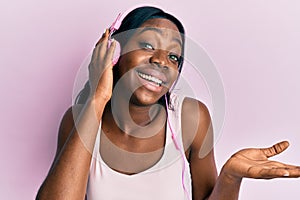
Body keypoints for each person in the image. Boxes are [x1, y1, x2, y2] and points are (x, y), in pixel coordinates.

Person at [36, 6, 300, 200]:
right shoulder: (78, 119)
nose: (162, 60)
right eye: (148, 45)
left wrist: (231, 176)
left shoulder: (191, 119)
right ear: (115, 53)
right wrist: (98, 97)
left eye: (174, 57)